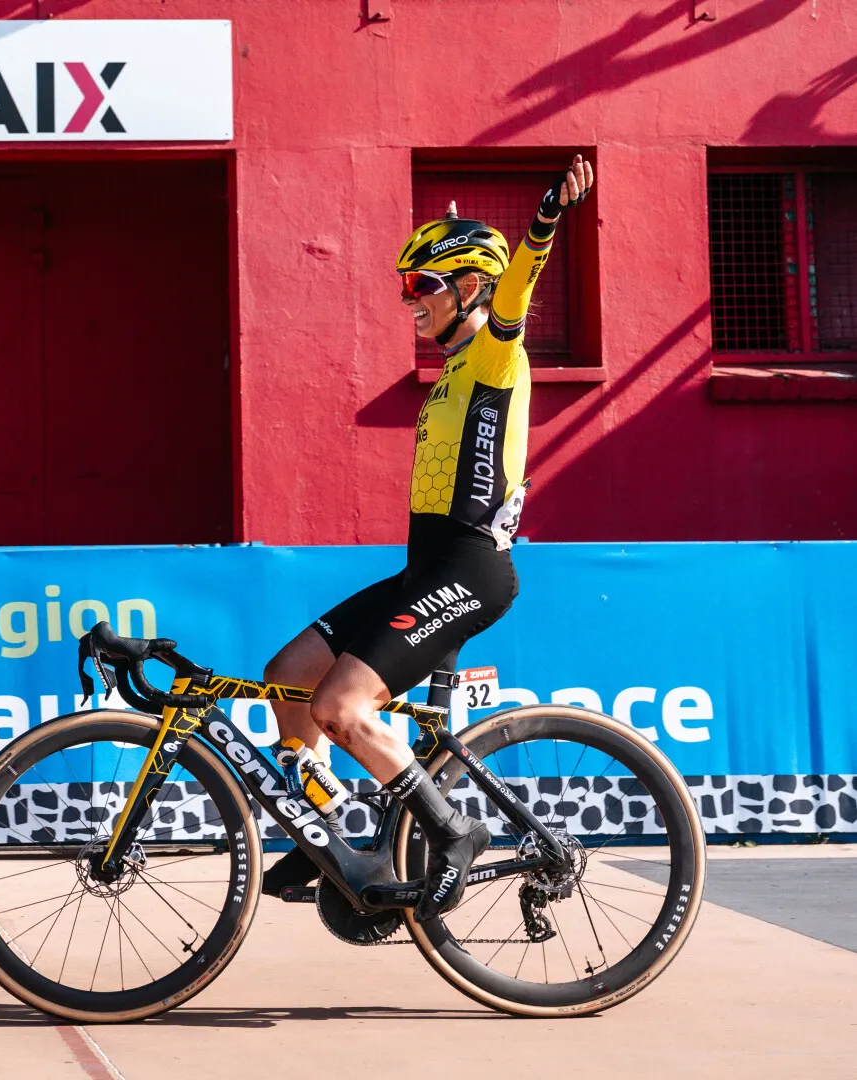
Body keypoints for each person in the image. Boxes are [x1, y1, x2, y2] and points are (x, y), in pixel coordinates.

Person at [261, 156, 595, 921]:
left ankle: (452, 832)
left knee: (342, 706)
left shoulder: (495, 354)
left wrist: (543, 218)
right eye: (404, 287)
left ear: (470, 288)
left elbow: (520, 285)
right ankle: (327, 830)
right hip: (425, 570)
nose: (408, 301)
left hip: (473, 571)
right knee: (287, 678)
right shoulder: (448, 374)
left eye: (423, 286)